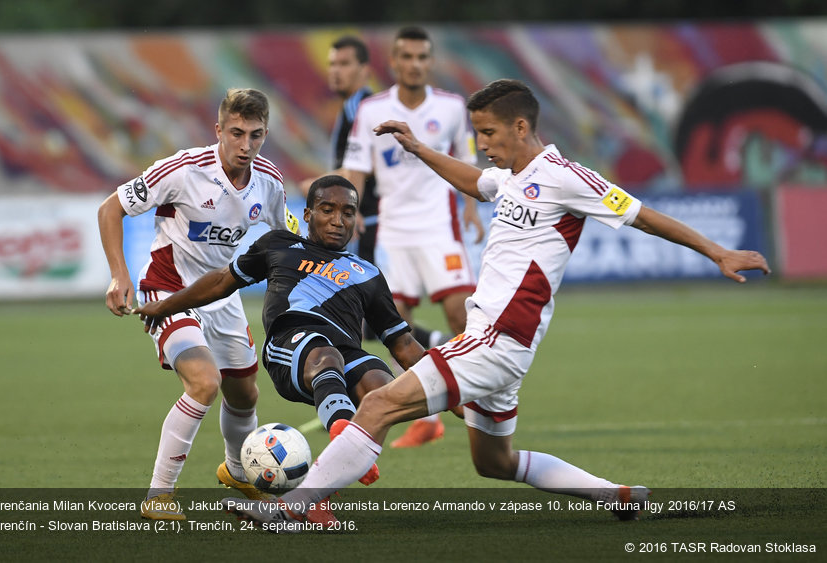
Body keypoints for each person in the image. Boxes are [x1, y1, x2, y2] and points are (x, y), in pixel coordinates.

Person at [220, 79, 771, 531]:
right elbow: (475, 181)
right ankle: (619, 497)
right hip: (499, 345)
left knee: (378, 407)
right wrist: (417, 148)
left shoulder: (564, 178)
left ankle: (291, 509)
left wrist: (716, 251)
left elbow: (642, 214)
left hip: (497, 340)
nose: (483, 143)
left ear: (521, 126)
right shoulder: (511, 178)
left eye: (488, 132)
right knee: (495, 463)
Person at [132, 175, 426, 499]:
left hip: (342, 351)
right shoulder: (280, 245)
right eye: (327, 209)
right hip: (291, 346)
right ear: (308, 214)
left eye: (347, 212)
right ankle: (346, 443)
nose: (337, 220)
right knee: (327, 357)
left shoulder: (367, 272)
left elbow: (403, 344)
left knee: (381, 385)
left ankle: (319, 495)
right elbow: (219, 283)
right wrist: (166, 304)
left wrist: (453, 382)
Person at [97, 88, 300, 521]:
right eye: (237, 133)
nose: (246, 146)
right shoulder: (184, 169)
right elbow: (110, 208)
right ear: (219, 130)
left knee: (244, 393)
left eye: (257, 135)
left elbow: (288, 240)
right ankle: (159, 496)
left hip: (219, 295)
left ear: (266, 133)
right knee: (204, 383)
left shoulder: (269, 181)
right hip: (168, 291)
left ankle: (239, 472)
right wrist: (120, 275)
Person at [341, 26, 485, 447]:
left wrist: (472, 209)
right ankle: (426, 414)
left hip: (441, 227)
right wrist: (350, 211)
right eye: (407, 56)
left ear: (431, 62)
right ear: (394, 62)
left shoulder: (453, 108)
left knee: (464, 316)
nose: (415, 64)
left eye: (422, 57)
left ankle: (475, 400)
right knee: (394, 328)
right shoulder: (371, 110)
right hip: (395, 232)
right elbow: (355, 169)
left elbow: (467, 161)